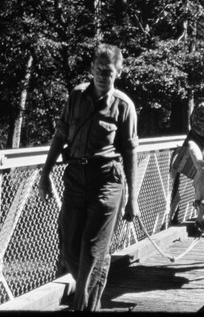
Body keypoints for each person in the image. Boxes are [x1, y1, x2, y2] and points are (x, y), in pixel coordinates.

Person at [38, 43, 139, 311]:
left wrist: (133, 199)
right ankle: (90, 292)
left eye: (109, 72)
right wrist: (46, 173)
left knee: (92, 252)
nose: (103, 77)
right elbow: (60, 135)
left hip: (107, 182)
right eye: (99, 70)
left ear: (118, 73)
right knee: (70, 249)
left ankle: (83, 309)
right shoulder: (76, 96)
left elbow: (129, 152)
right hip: (74, 179)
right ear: (92, 69)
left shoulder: (123, 106)